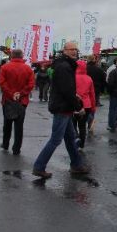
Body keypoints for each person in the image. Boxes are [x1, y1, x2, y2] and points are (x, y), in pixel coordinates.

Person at [32, 42, 89, 178]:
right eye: (71, 49)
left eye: (76, 49)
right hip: (62, 107)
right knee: (56, 139)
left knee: (70, 139)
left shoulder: (65, 65)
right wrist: (78, 106)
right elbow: (66, 90)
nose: (74, 51)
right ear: (65, 51)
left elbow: (65, 88)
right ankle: (39, 167)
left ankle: (77, 165)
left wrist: (74, 98)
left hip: (64, 107)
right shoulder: (64, 66)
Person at [0, 50, 35, 156]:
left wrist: (11, 94)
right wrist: (21, 93)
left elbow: (1, 82)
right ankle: (16, 148)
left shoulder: (4, 67)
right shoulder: (28, 69)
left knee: (7, 123)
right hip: (22, 101)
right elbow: (31, 84)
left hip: (8, 100)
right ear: (22, 56)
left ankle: (5, 144)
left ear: (11, 56)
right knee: (19, 126)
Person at [74, 60, 96, 149]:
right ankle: (82, 144)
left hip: (74, 104)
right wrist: (93, 107)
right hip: (87, 105)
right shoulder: (89, 78)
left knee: (72, 124)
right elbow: (92, 94)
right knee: (82, 126)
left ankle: (76, 139)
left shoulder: (72, 77)